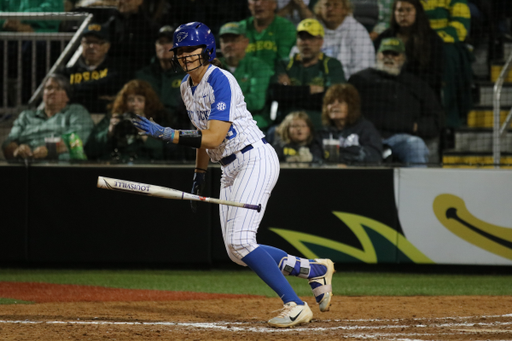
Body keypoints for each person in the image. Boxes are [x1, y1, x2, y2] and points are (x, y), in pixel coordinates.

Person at [132, 22, 335, 328]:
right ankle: (314, 270)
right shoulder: (186, 87)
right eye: (181, 51)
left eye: (192, 49)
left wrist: (168, 134)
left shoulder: (220, 79)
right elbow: (202, 133)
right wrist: (200, 172)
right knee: (237, 252)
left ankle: (294, 304)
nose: (186, 56)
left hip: (254, 158)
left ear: (207, 50)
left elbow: (213, 137)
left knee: (242, 241)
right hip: (228, 167)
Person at [348, 38, 442, 166]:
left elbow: (436, 118)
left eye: (394, 54)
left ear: (403, 58)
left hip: (400, 138)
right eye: (385, 53)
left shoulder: (417, 84)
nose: (389, 57)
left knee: (416, 145)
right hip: (364, 137)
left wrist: (415, 126)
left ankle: (417, 186)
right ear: (377, 55)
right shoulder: (359, 80)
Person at [84, 79, 189, 163]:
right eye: (131, 100)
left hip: (146, 167)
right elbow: (90, 150)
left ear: (147, 103)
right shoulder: (114, 117)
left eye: (140, 100)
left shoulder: (160, 118)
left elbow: (167, 153)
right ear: (125, 102)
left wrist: (145, 133)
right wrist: (109, 131)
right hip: (115, 164)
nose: (134, 104)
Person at [269, 18, 346, 130]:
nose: (306, 43)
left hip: (319, 127)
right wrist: (310, 90)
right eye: (302, 38)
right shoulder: (284, 64)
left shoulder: (331, 65)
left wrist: (292, 93)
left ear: (321, 41)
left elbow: (332, 98)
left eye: (311, 38)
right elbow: (277, 94)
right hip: (286, 126)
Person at [2, 74, 93, 161]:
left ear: (67, 97)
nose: (52, 91)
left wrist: (50, 150)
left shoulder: (76, 111)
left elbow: (77, 138)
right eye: (49, 88)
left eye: (58, 88)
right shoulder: (26, 116)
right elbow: (9, 142)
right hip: (27, 164)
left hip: (62, 165)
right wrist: (17, 150)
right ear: (43, 95)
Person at [374, 0, 444, 99]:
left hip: (421, 93)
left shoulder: (432, 39)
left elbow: (434, 75)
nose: (403, 14)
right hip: (388, 91)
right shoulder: (385, 37)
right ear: (394, 13)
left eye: (408, 10)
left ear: (417, 12)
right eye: (400, 10)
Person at [421, 0, 472, 129]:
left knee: (448, 56)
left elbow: (460, 28)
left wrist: (431, 39)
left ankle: (450, 118)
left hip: (446, 44)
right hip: (417, 42)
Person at [58, 23, 131, 114]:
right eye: (88, 42)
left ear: (107, 47)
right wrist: (99, 92)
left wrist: (76, 89)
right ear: (82, 44)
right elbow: (61, 94)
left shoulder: (118, 68)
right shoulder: (66, 72)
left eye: (97, 42)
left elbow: (115, 86)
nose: (92, 46)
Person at [218, 22, 274, 131]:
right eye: (225, 41)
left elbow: (256, 103)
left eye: (234, 40)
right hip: (219, 125)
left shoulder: (259, 66)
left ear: (246, 42)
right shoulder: (213, 67)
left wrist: (221, 97)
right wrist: (239, 95)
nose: (229, 44)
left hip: (252, 126)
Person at [136, 25, 190, 129]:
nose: (164, 46)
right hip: (148, 128)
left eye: (169, 42)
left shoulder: (188, 75)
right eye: (160, 42)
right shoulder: (143, 75)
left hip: (178, 130)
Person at [318, 84, 383, 164]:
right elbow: (316, 159)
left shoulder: (365, 128)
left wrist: (341, 157)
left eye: (340, 102)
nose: (335, 105)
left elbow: (374, 156)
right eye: (331, 102)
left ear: (351, 106)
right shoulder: (323, 133)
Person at [314, 0, 376, 79]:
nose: (330, 9)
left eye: (335, 5)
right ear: (319, 9)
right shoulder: (312, 30)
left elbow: (364, 67)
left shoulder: (358, 31)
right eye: (327, 5)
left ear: (344, 9)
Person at [239, 0, 297, 70]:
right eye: (254, 0)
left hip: (275, 77)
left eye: (264, 0)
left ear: (274, 4)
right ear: (249, 5)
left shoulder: (285, 27)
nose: (258, 4)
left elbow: (284, 60)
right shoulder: (240, 28)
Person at [106, 0, 159, 70]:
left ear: (139, 1)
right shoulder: (108, 23)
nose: (122, 1)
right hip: (109, 72)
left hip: (138, 72)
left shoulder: (149, 27)